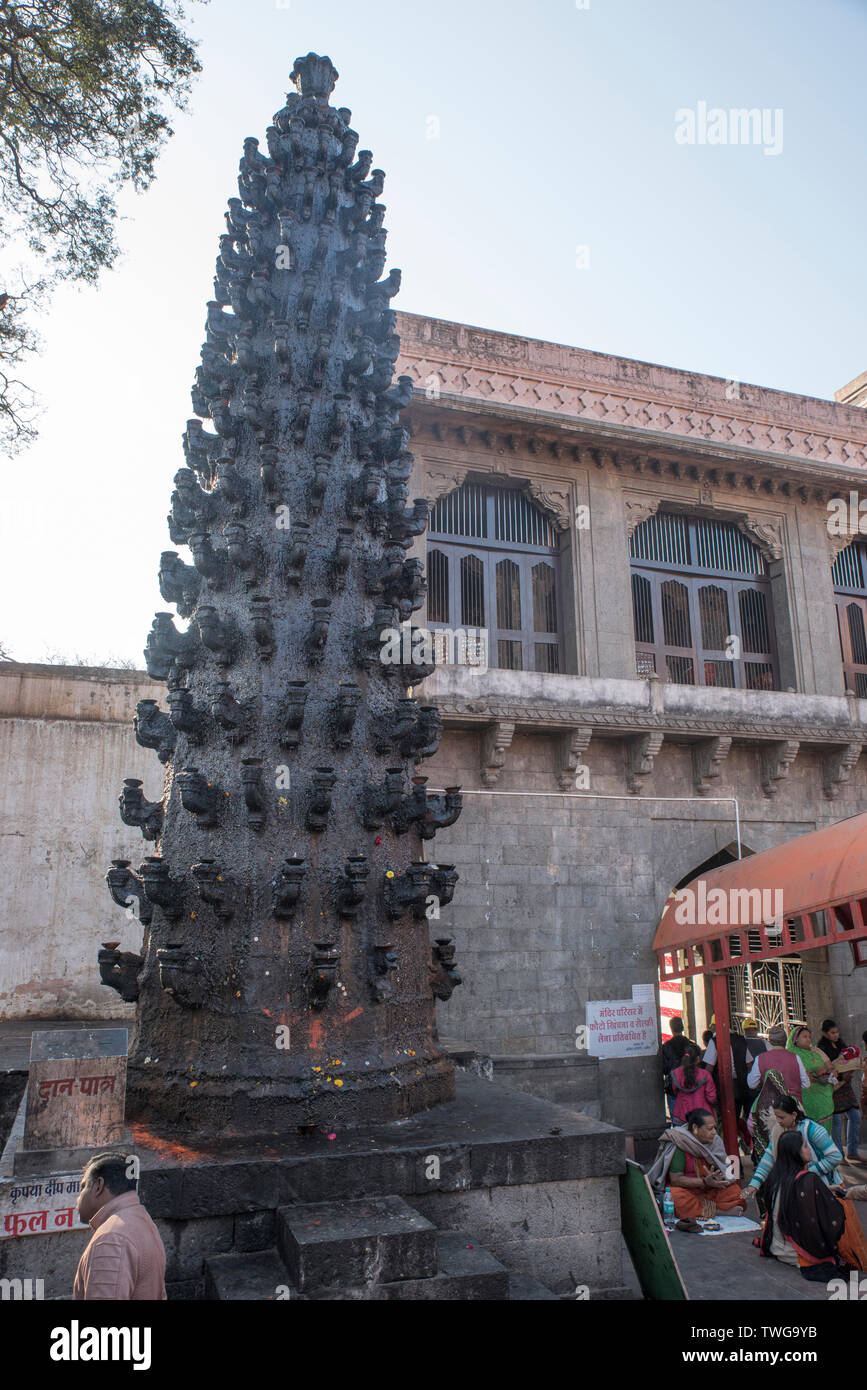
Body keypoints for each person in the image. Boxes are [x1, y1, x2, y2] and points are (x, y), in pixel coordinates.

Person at [742, 1095, 867, 1272]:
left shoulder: (813, 1130)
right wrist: (754, 1184)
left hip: (820, 1185)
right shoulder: (778, 1130)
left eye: (781, 1117)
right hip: (797, 1186)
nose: (778, 1121)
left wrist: (807, 1176)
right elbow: (769, 1158)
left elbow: (835, 1156)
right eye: (776, 1117)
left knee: (833, 1234)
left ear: (794, 1114)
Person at [752, 1130, 848, 1281]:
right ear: (795, 1152)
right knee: (835, 1214)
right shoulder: (807, 1180)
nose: (809, 1149)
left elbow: (793, 1193)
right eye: (804, 1146)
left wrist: (825, 1190)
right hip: (795, 1254)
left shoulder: (777, 1176)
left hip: (775, 1247)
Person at [73, 1152, 167, 1300]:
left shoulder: (111, 1238)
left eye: (83, 1187)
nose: (78, 1198)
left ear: (98, 1186)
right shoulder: (143, 1222)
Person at [646, 1108, 746, 1227]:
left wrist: (719, 1180)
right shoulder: (680, 1142)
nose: (714, 1132)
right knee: (676, 1197)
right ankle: (720, 1211)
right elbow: (676, 1179)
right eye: (710, 1129)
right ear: (695, 1128)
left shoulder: (715, 1141)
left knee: (736, 1193)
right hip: (687, 1191)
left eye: (714, 1127)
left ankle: (705, 1209)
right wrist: (704, 1181)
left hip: (710, 1190)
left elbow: (724, 1168)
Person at [703, 1023, 755, 1150]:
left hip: (724, 1088)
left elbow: (709, 1068)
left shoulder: (715, 1041)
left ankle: (729, 1153)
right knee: (740, 1120)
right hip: (742, 1087)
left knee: (726, 1124)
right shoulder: (740, 1040)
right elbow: (749, 1064)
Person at [818, 1019, 862, 1160]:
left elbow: (848, 1059)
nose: (836, 1035)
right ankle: (839, 1155)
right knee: (836, 1122)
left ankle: (852, 1151)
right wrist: (841, 1074)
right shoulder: (822, 1049)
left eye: (837, 1032)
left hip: (845, 1087)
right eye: (832, 1033)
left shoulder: (841, 1044)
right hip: (832, 1088)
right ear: (825, 1033)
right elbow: (825, 1070)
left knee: (855, 1116)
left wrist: (850, 1071)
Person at [788, 1024, 836, 1133]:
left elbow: (830, 1067)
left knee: (823, 1136)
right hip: (806, 1097)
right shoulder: (791, 1055)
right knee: (808, 1134)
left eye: (809, 1036)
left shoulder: (816, 1052)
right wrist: (807, 1075)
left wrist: (828, 1072)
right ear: (795, 1039)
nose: (808, 1039)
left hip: (823, 1097)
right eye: (804, 1037)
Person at [670, 1043, 717, 1125]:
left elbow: (675, 1092)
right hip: (702, 1116)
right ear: (698, 1059)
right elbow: (711, 1098)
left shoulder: (675, 1073)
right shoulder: (705, 1075)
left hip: (681, 1115)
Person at [661, 1016, 694, 1117]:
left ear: (671, 1029)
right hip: (690, 1086)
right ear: (683, 1028)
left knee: (676, 1118)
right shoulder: (691, 1046)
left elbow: (665, 1069)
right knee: (691, 1118)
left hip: (673, 1087)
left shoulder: (666, 1047)